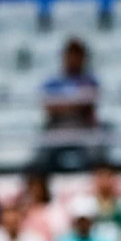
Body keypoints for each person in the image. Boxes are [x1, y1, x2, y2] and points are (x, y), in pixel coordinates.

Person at [40, 38, 100, 171]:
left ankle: (96, 175)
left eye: (77, 56)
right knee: (44, 148)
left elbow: (89, 106)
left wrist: (62, 103)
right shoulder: (53, 82)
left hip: (83, 127)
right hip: (58, 127)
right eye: (70, 55)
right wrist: (76, 103)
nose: (73, 59)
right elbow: (49, 108)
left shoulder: (90, 80)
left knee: (97, 144)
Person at [14, 166, 63, 241]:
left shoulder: (53, 209)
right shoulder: (22, 209)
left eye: (38, 187)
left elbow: (57, 233)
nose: (35, 191)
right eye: (31, 187)